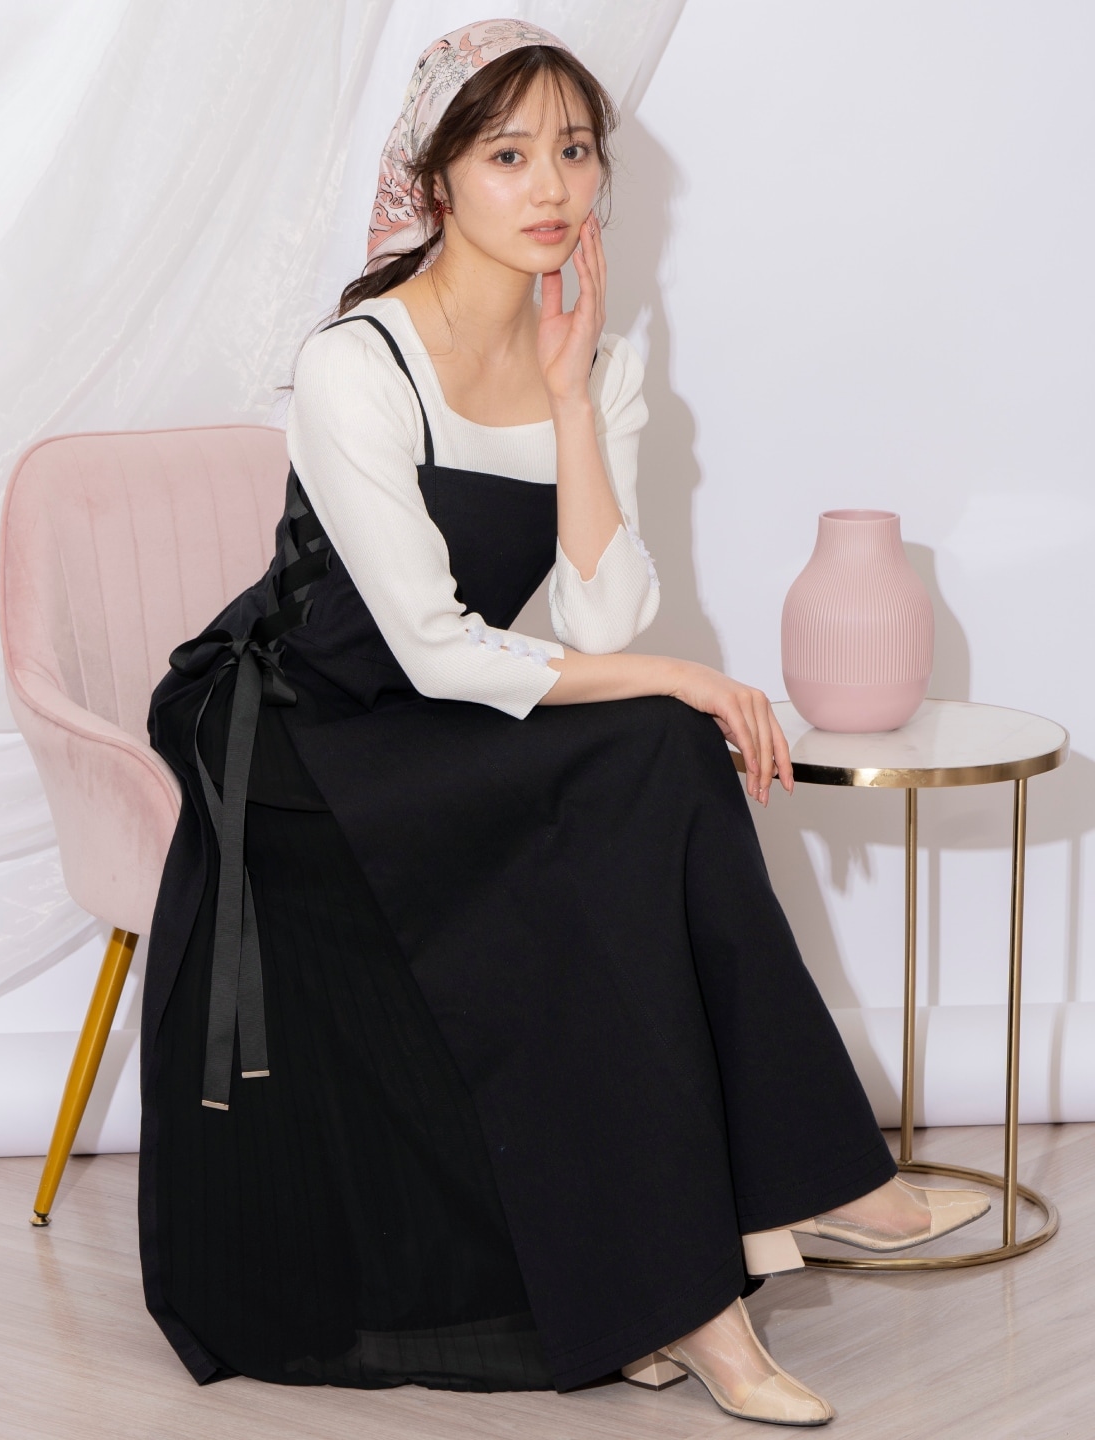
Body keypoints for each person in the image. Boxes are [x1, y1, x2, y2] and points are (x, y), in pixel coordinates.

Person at [140, 19, 990, 1426]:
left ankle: (775, 1221)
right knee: (660, 734)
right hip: (303, 729)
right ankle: (733, 1269)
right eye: (508, 154)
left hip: (438, 710)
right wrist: (683, 677)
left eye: (576, 150)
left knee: (659, 753)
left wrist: (571, 402)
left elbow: (599, 623)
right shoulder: (359, 362)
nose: (551, 186)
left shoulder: (597, 357)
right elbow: (429, 645)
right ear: (435, 179)